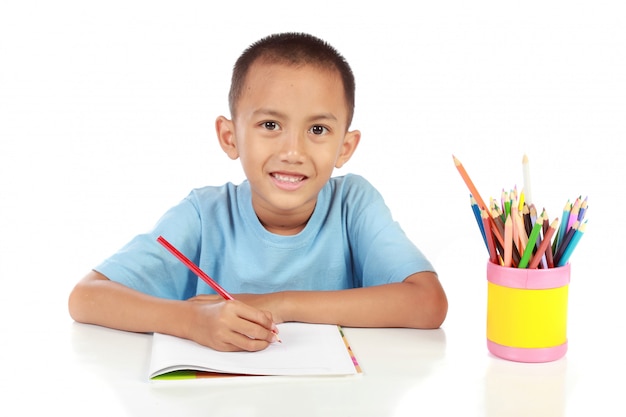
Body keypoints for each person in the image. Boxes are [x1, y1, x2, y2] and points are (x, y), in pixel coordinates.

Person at [68, 32, 448, 352]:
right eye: (270, 124)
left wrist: (275, 305)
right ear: (229, 136)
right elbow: (87, 296)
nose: (293, 152)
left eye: (317, 130)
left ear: (344, 148)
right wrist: (191, 321)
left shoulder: (354, 204)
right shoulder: (204, 214)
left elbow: (427, 302)